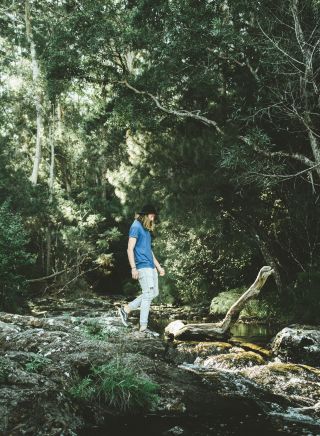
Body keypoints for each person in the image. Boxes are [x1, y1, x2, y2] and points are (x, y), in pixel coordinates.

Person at [118, 204, 165, 332]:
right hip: (142, 266)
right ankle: (143, 327)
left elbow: (149, 250)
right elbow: (129, 249)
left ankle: (126, 309)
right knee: (147, 294)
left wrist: (159, 267)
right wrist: (134, 268)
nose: (153, 218)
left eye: (154, 215)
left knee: (153, 293)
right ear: (145, 215)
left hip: (151, 266)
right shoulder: (135, 227)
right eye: (152, 215)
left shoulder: (146, 229)